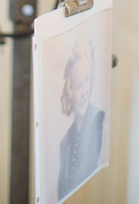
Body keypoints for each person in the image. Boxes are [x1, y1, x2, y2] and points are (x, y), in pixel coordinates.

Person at [58, 41, 105, 200]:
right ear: (69, 90)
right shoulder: (65, 143)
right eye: (79, 85)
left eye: (87, 81)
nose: (84, 91)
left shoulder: (99, 120)